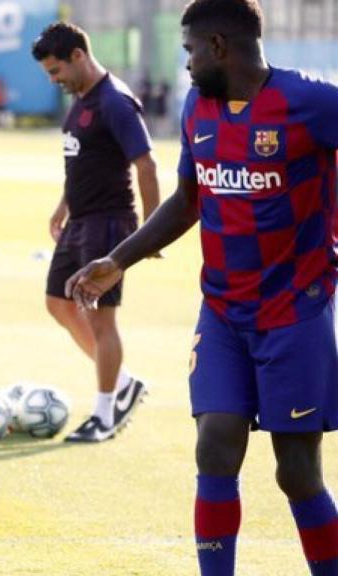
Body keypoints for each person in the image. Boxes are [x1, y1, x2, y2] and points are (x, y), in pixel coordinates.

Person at [67, 1, 338, 573]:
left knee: (296, 472)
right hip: (222, 312)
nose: (184, 62)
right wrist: (117, 260)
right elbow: (189, 198)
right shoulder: (199, 106)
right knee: (215, 445)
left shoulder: (309, 101)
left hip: (295, 313)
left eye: (189, 49)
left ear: (219, 46)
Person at [31, 22, 161, 443]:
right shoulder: (81, 98)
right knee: (58, 302)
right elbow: (82, 162)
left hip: (109, 223)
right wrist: (63, 205)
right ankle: (122, 383)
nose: (54, 80)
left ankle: (105, 414)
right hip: (80, 220)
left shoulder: (116, 102)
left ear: (78, 56)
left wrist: (153, 231)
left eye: (56, 71)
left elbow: (147, 165)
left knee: (100, 317)